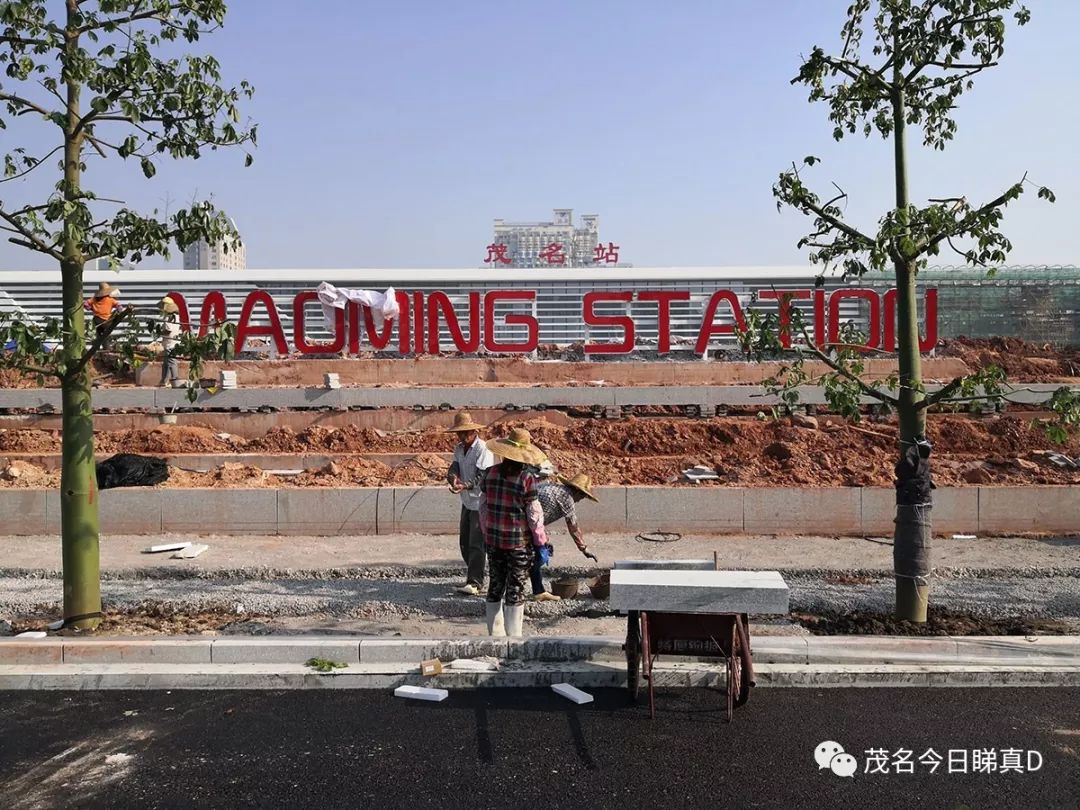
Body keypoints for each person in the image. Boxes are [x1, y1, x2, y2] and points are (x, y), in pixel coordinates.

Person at [478, 428, 549, 637]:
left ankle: (495, 636)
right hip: (518, 543)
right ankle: (514, 639)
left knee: (495, 586)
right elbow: (534, 515)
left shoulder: (489, 473)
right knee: (515, 589)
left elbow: (483, 508)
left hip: (493, 541)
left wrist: (487, 534)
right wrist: (540, 542)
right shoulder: (526, 479)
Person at [444, 412, 495, 595]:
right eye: (460, 434)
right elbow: (454, 467)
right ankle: (474, 574)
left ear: (474, 431)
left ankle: (475, 582)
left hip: (480, 502)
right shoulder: (459, 449)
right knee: (465, 541)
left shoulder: (483, 448)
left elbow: (483, 476)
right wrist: (453, 478)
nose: (462, 437)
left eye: (466, 433)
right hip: (466, 501)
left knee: (476, 542)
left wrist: (465, 485)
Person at [531, 473, 600, 601]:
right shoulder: (567, 497)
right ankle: (534, 591)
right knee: (538, 556)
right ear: (577, 491)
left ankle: (536, 589)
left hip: (530, 521)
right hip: (527, 522)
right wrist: (584, 548)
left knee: (536, 554)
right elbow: (573, 526)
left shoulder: (557, 489)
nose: (581, 499)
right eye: (583, 495)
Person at [158, 296, 182, 387]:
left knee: (171, 362)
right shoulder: (177, 316)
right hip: (174, 342)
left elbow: (168, 331)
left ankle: (175, 380)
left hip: (170, 343)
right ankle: (164, 381)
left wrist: (159, 333)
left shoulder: (169, 318)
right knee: (166, 363)